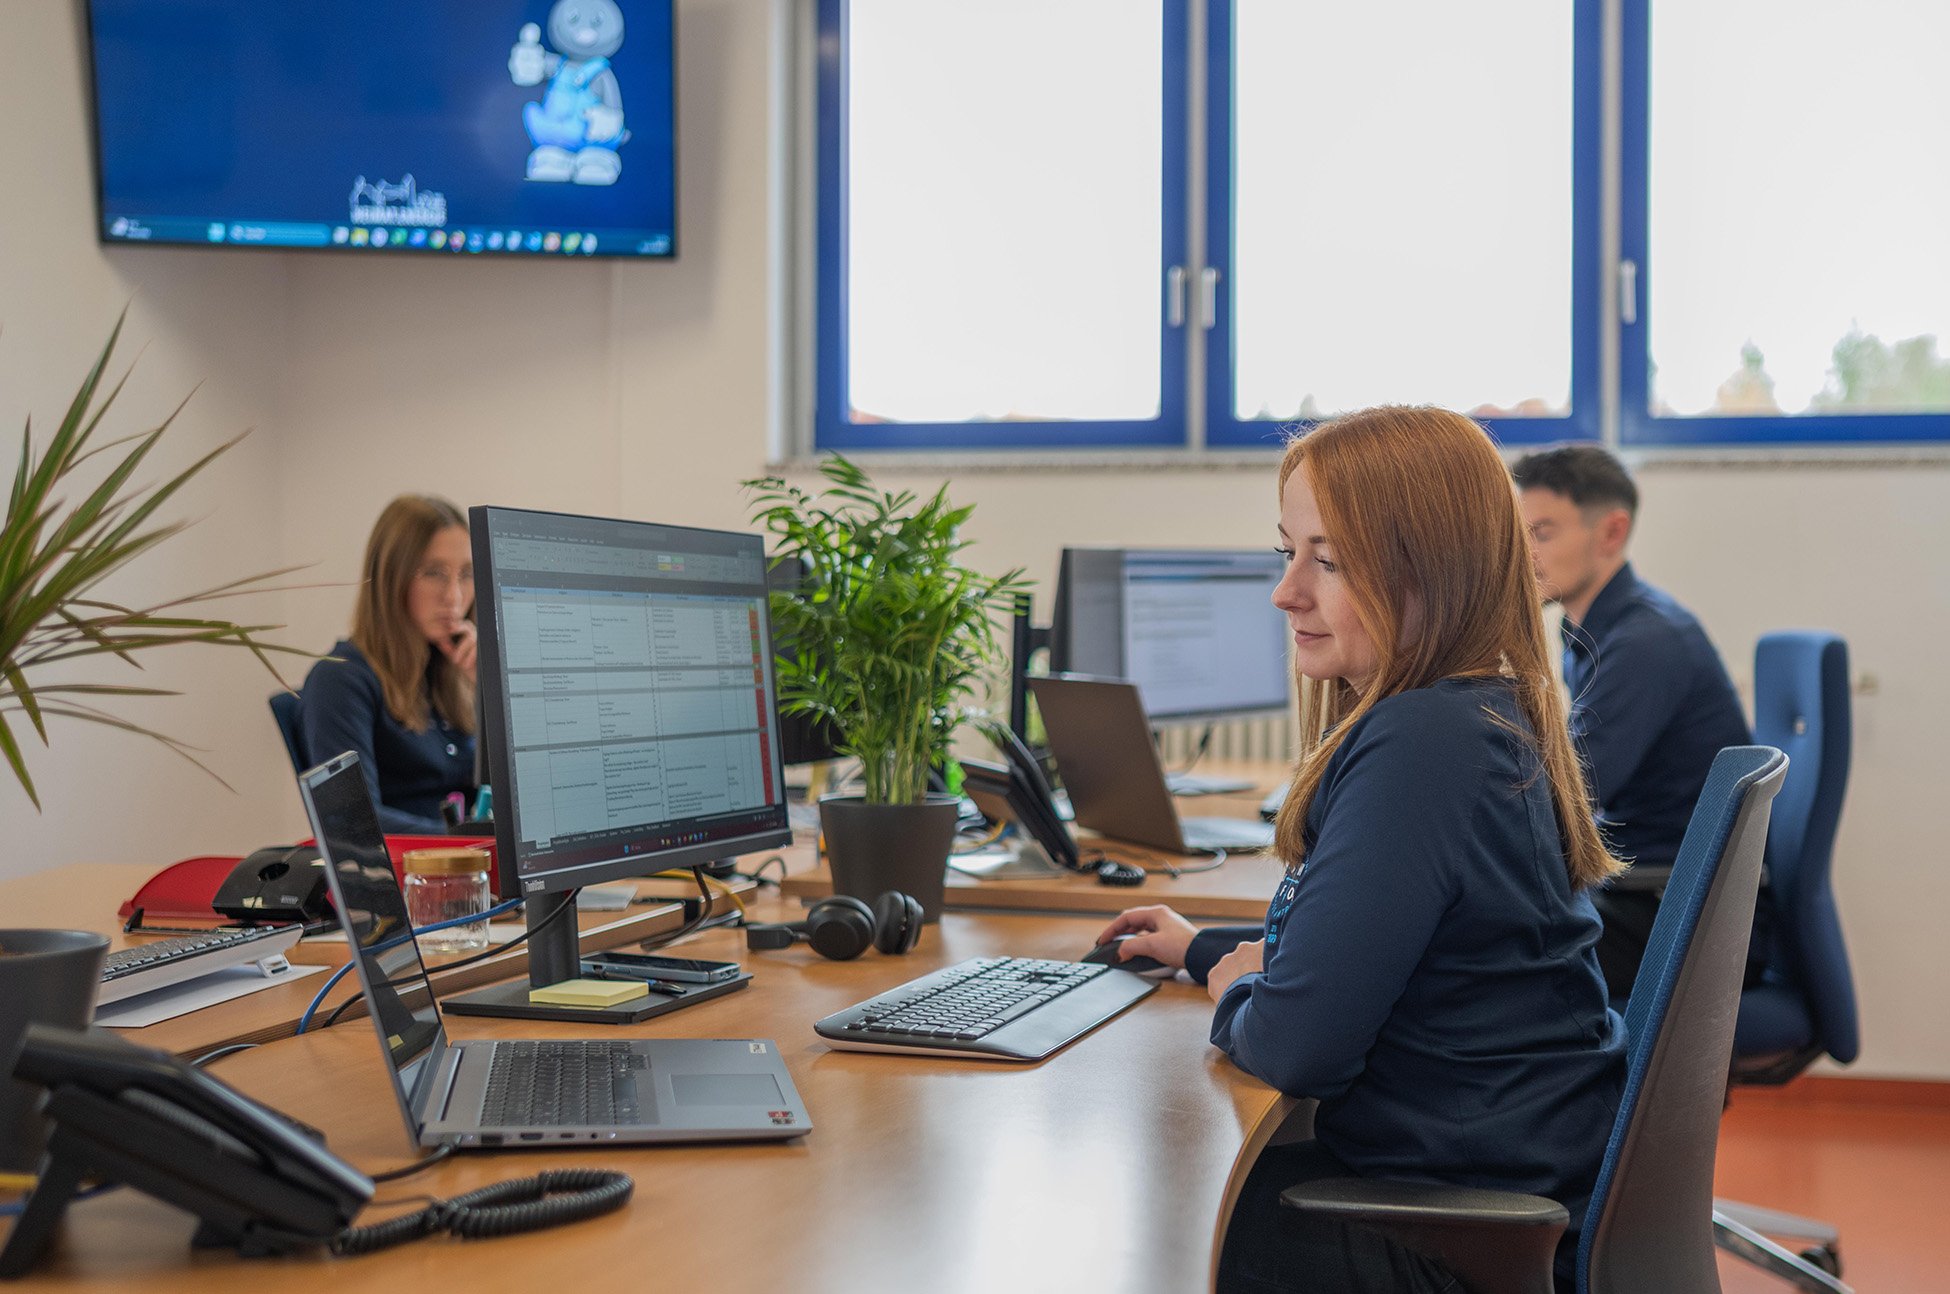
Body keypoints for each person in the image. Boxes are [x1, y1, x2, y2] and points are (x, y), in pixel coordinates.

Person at [1098, 407, 1626, 1294]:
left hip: (1447, 1236)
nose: (1286, 591)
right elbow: (1382, 955)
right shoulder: (1477, 713)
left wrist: (1242, 994)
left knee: (1141, 1215)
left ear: (1435, 575)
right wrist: (1210, 954)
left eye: (1329, 560)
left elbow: (1298, 1049)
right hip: (1495, 1190)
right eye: (1288, 551)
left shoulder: (1423, 743)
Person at [1511, 445, 1754, 1001]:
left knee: (1474, 945)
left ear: (1612, 533)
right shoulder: (1598, 630)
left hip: (1674, 916)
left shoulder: (1645, 643)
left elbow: (1566, 799)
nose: (1522, 553)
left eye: (1541, 533)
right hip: (1651, 891)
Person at [300, 495, 477, 833]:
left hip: (469, 873)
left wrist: (491, 692)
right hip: (408, 876)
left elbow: (506, 800)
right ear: (391, 578)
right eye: (435, 573)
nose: (454, 596)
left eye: (466, 574)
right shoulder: (340, 679)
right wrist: (470, 842)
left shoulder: (452, 671)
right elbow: (352, 822)